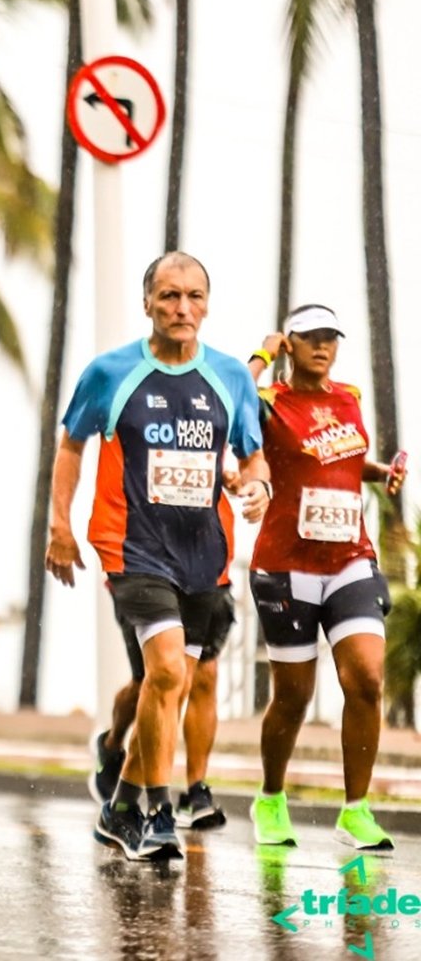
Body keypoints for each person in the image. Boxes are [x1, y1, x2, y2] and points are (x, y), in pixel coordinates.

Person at [45, 251, 269, 862]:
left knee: (168, 685)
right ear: (147, 302)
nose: (182, 309)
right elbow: (71, 444)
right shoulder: (111, 373)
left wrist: (258, 487)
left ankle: (118, 808)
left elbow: (252, 454)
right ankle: (158, 810)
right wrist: (59, 524)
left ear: (207, 305)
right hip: (132, 547)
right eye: (169, 296)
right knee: (167, 671)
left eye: (194, 297)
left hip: (205, 555)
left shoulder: (231, 377)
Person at [246, 304, 402, 850]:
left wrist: (379, 472)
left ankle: (356, 810)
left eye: (330, 338)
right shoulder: (268, 402)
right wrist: (262, 353)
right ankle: (269, 798)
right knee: (293, 698)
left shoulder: (349, 399)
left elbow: (338, 459)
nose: (323, 347)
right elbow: (234, 398)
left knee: (365, 678)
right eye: (310, 337)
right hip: (286, 566)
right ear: (290, 344)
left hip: (349, 561)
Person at [90, 587, 233, 830]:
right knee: (148, 681)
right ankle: (112, 745)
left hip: (203, 578)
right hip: (146, 577)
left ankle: (195, 792)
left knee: (204, 675)